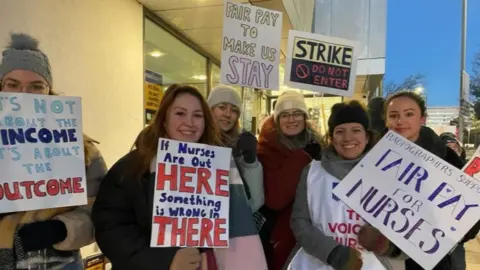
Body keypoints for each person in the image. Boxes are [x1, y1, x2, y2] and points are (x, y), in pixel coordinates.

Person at [92, 84, 266, 270]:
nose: (190, 123)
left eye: (197, 115)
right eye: (180, 113)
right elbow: (110, 228)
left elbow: (240, 215)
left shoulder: (218, 166)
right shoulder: (133, 166)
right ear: (164, 119)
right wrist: (165, 260)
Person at [0, 33, 107, 269]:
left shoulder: (82, 149)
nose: (23, 95)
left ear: (49, 90)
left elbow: (101, 212)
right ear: (1, 87)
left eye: (36, 86)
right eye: (13, 85)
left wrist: (61, 229)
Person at [358, 91, 480, 270]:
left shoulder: (446, 157)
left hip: (433, 260)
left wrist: (457, 232)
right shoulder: (371, 157)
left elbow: (471, 207)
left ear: (422, 119)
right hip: (382, 260)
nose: (400, 121)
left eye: (409, 114)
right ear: (386, 120)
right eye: (393, 115)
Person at [288, 100, 401, 270]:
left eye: (356, 130)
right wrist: (333, 252)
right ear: (331, 138)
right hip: (318, 262)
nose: (348, 138)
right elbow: (299, 221)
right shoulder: (313, 172)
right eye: (340, 131)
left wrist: (384, 242)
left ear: (367, 136)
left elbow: (403, 225)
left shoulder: (386, 172)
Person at [257, 91, 322, 270]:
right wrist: (303, 158)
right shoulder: (266, 149)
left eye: (296, 113)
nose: (291, 119)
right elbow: (275, 199)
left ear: (304, 117)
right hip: (282, 236)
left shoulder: (317, 143)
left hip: (315, 232)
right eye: (284, 115)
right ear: (277, 120)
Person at [207, 84, 264, 212]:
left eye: (234, 110)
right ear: (210, 110)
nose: (228, 114)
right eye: (222, 107)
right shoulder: (195, 141)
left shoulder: (240, 146)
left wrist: (250, 161)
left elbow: (255, 203)